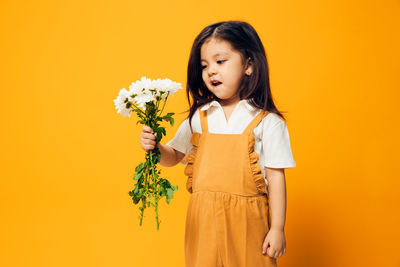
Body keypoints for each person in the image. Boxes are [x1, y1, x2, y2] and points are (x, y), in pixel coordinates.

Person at [140, 20, 296, 267]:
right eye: (204, 65)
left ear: (248, 65)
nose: (211, 70)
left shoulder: (267, 122)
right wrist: (155, 147)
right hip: (203, 222)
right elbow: (173, 156)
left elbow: (276, 177)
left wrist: (277, 228)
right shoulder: (200, 117)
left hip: (248, 222)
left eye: (220, 61)